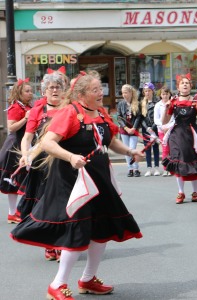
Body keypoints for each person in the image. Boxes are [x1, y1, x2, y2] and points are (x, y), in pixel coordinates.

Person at [11, 73, 144, 300]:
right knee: (76, 229)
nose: (100, 92)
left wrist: (130, 152)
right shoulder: (69, 113)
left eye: (99, 88)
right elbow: (47, 142)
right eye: (94, 89)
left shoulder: (101, 114)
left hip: (99, 178)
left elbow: (110, 141)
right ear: (81, 94)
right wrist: (71, 157)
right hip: (72, 181)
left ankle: (88, 279)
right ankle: (57, 284)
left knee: (102, 228)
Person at [17, 73, 65, 261]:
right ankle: (49, 244)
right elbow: (27, 138)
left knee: (62, 203)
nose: (54, 90)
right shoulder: (38, 111)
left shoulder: (69, 109)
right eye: (51, 87)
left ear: (63, 90)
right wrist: (25, 154)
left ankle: (62, 243)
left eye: (58, 87)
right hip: (41, 164)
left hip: (63, 162)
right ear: (44, 91)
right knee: (44, 204)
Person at [162, 73, 197, 204]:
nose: (184, 85)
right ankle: (180, 192)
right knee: (178, 161)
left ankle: (195, 191)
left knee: (194, 161)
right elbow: (164, 121)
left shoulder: (196, 101)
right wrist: (165, 109)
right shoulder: (173, 101)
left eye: (187, 83)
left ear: (190, 86)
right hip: (177, 134)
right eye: (182, 83)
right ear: (178, 87)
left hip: (192, 133)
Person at [0, 78, 33, 224]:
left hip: (24, 145)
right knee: (14, 181)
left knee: (24, 180)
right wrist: (26, 118)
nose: (30, 93)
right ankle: (13, 213)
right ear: (19, 93)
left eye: (31, 90)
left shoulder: (26, 106)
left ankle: (17, 212)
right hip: (15, 147)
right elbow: (11, 128)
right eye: (27, 91)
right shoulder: (15, 107)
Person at [117, 84, 142, 177]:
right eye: (123, 93)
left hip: (133, 129)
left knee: (132, 149)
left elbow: (138, 117)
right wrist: (126, 128)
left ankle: (136, 168)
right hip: (124, 130)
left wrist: (134, 128)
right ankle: (130, 168)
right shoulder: (120, 104)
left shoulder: (137, 103)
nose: (124, 95)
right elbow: (119, 117)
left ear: (131, 93)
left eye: (126, 92)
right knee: (127, 150)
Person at [140, 82, 161, 177]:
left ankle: (156, 167)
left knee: (156, 148)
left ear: (152, 91)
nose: (147, 93)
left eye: (149, 91)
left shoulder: (157, 102)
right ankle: (149, 168)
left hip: (155, 128)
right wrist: (147, 128)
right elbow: (141, 118)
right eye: (145, 91)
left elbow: (158, 117)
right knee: (147, 148)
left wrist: (153, 128)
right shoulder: (142, 103)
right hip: (146, 129)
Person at [153, 86, 174, 176]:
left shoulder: (173, 104)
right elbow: (156, 119)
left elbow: (174, 118)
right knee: (165, 149)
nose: (165, 96)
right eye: (163, 94)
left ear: (169, 94)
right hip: (162, 130)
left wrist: (169, 127)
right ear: (160, 95)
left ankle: (173, 168)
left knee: (172, 149)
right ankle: (166, 168)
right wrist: (163, 127)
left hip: (172, 129)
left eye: (166, 94)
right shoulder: (158, 105)